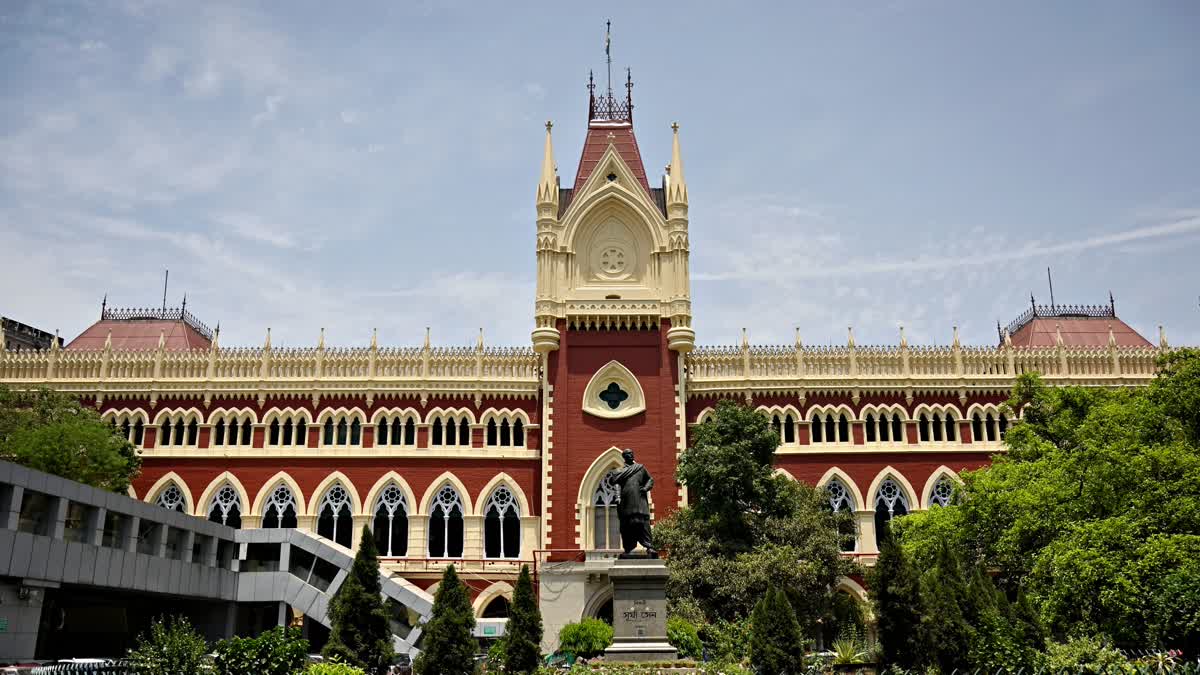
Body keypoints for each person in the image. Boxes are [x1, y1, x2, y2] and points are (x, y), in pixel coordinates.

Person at [604, 448, 656, 557]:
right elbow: (617, 484)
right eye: (628, 454)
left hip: (639, 501)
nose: (631, 455)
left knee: (643, 523)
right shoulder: (620, 472)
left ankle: (649, 547)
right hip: (626, 503)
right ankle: (628, 549)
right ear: (624, 457)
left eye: (632, 453)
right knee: (627, 525)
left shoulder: (640, 468)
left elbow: (650, 479)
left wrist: (645, 488)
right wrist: (617, 497)